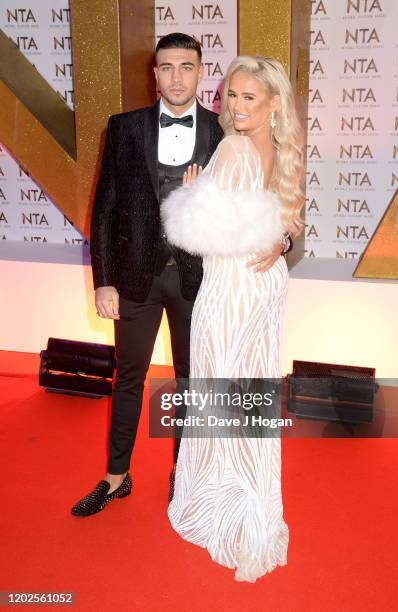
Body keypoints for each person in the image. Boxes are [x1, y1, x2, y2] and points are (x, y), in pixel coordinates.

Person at [70, 36, 289, 518]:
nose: (175, 77)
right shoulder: (123, 127)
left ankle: (184, 474)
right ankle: (115, 475)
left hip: (202, 282)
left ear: (200, 72)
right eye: (166, 68)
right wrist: (102, 280)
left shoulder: (226, 131)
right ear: (155, 74)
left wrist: (284, 242)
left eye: (186, 67)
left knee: (194, 383)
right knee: (128, 378)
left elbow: (271, 202)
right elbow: (104, 209)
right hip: (135, 279)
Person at [161, 56, 304, 582]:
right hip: (266, 286)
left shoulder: (233, 147)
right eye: (232, 96)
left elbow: (196, 235)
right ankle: (253, 506)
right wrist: (283, 240)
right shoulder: (283, 151)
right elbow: (280, 230)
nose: (236, 106)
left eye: (249, 97)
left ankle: (223, 510)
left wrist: (194, 193)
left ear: (271, 105)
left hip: (230, 290)